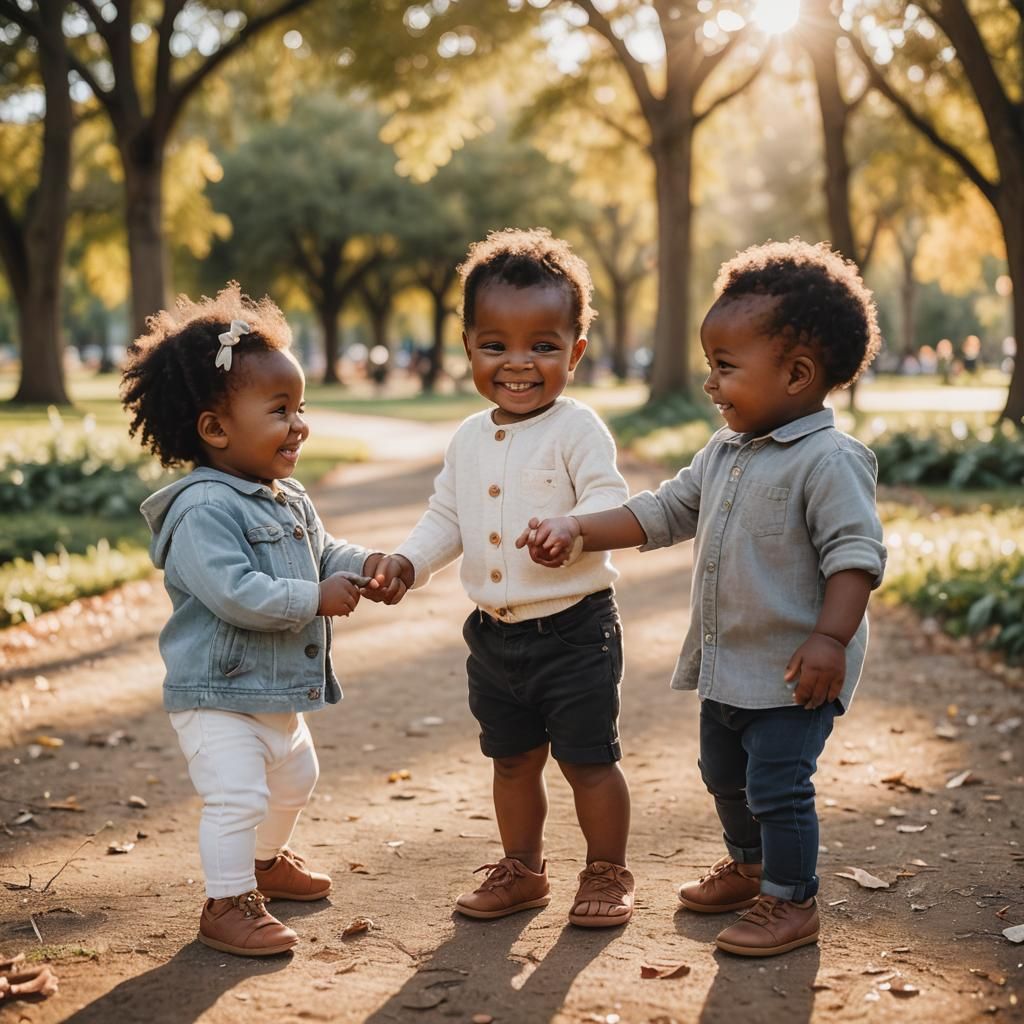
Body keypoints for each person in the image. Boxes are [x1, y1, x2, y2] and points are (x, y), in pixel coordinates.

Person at [520, 239, 887, 957]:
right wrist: (577, 527)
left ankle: (791, 898)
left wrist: (830, 641)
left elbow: (856, 558)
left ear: (798, 373)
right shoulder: (723, 452)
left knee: (778, 785)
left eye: (725, 367)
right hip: (727, 668)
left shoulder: (829, 460)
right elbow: (662, 512)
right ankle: (750, 868)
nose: (711, 384)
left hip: (793, 673)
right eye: (710, 365)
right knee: (725, 776)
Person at [371, 229, 635, 927]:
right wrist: (407, 562)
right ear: (467, 347)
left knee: (587, 761)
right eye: (496, 346)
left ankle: (607, 871)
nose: (519, 364)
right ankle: (522, 869)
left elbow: (608, 500)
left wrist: (574, 528)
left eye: (543, 346)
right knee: (513, 761)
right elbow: (445, 519)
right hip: (494, 638)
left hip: (575, 630)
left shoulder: (577, 430)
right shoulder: (466, 438)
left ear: (575, 352)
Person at [121, 284, 382, 957]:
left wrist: (369, 563)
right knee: (236, 796)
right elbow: (237, 593)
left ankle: (267, 862)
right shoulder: (204, 510)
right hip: (218, 696)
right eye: (279, 410)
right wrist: (314, 599)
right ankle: (228, 900)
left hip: (269, 692)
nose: (299, 424)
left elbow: (324, 552)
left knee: (296, 778)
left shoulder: (286, 495)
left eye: (301, 408)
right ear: (215, 428)